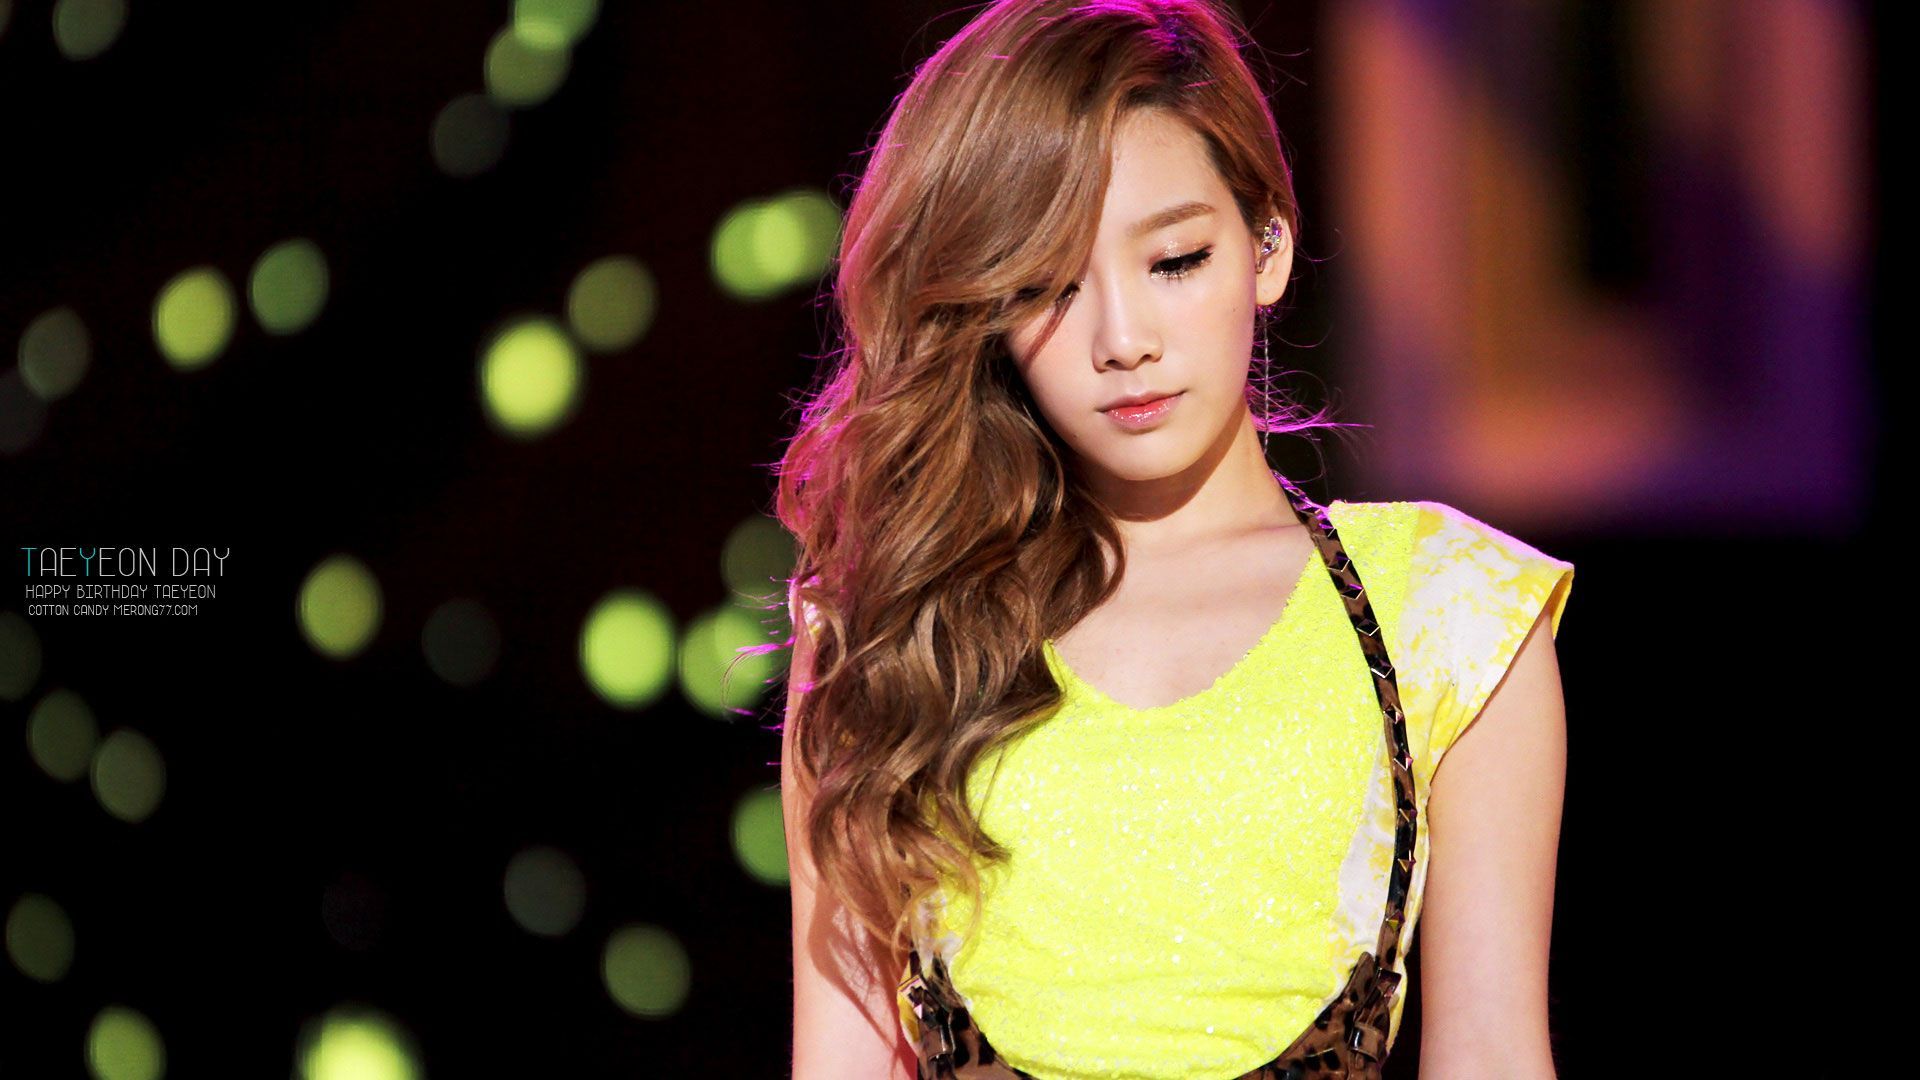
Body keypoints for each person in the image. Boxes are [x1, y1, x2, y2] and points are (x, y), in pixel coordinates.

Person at [773, 2, 1573, 1077]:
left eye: (1176, 260)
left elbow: (1491, 1053)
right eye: (1047, 284)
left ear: (1267, 247)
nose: (1123, 340)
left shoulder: (1447, 612)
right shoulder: (893, 634)